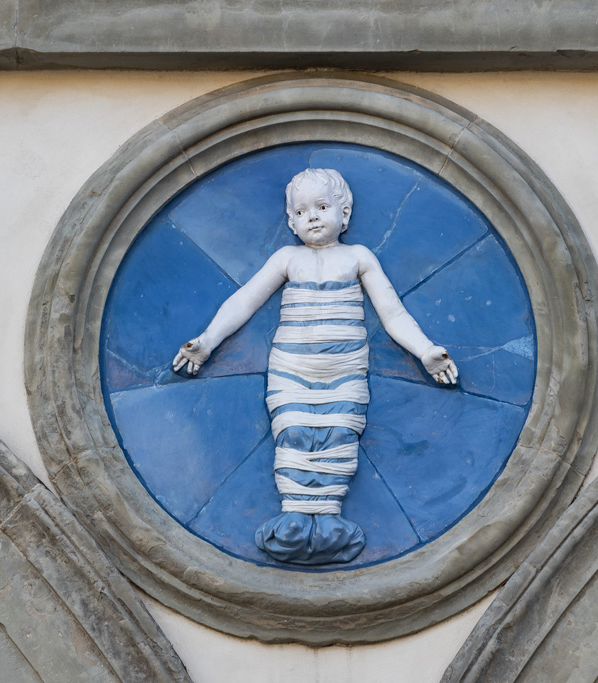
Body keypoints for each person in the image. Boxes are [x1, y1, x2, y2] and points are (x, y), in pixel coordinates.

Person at [173, 168, 458, 564]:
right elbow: (244, 301)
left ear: (345, 212)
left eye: (322, 207)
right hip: (292, 365)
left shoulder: (358, 257)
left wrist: (425, 350)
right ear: (291, 221)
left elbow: (393, 314)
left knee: (340, 434)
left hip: (344, 369)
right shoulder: (287, 258)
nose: (313, 217)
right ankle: (292, 517)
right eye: (302, 211)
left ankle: (328, 519)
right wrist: (206, 341)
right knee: (292, 432)